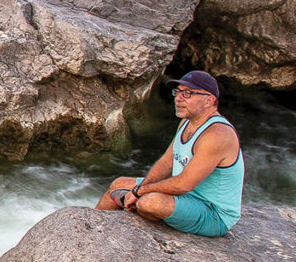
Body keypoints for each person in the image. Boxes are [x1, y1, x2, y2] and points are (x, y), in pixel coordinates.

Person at [98, 70, 244, 236]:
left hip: (213, 213)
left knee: (150, 202)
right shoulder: (186, 122)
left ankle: (132, 204)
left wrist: (139, 192)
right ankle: (91, 232)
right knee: (119, 183)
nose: (178, 98)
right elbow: (166, 162)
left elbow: (183, 184)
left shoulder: (218, 135)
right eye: (178, 92)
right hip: (186, 197)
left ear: (209, 100)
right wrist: (141, 187)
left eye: (188, 93)